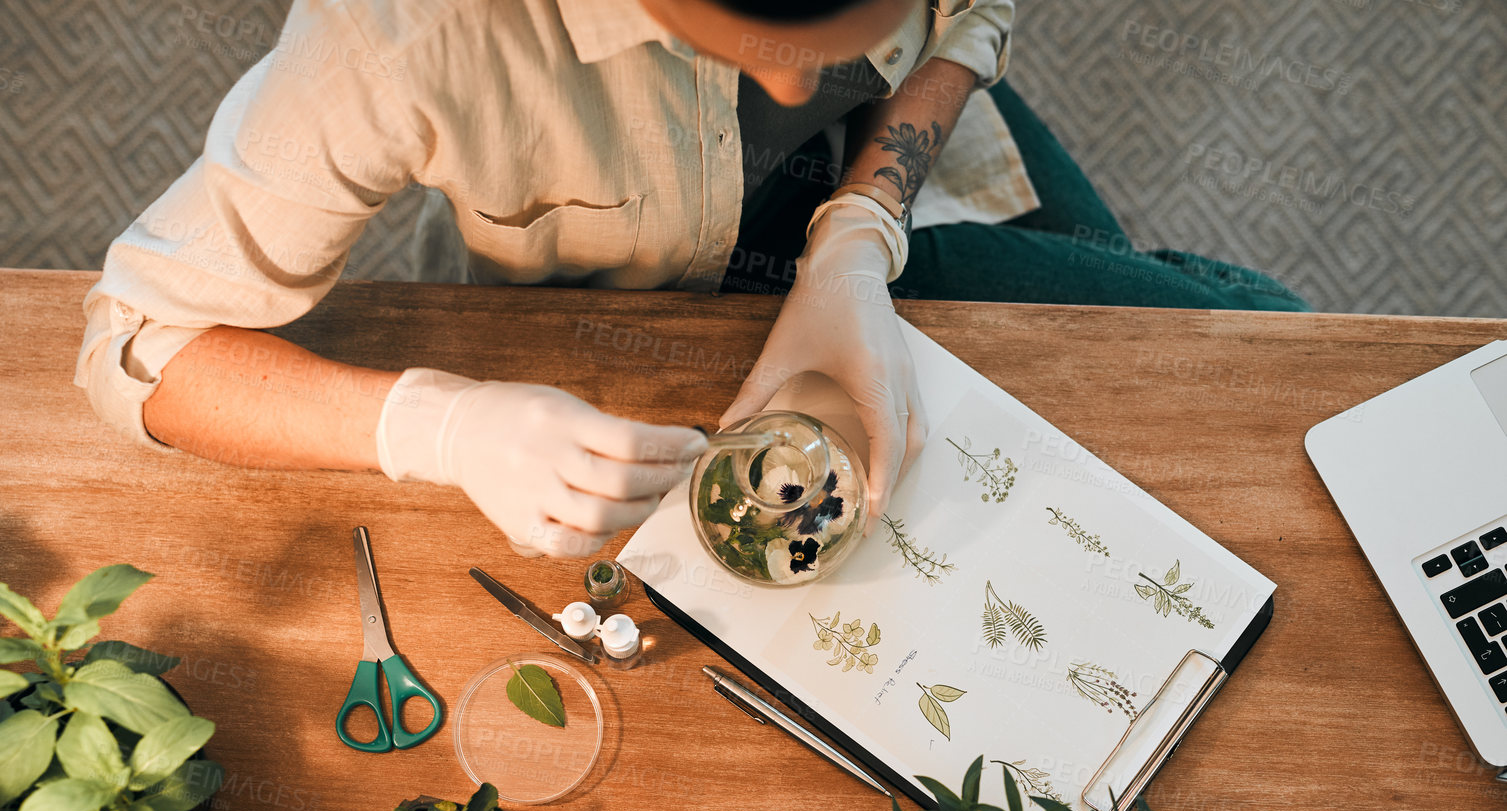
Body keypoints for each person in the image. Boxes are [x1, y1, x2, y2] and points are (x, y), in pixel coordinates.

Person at [76, 0, 1303, 560]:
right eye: (737, 43)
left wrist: (862, 226)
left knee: (1253, 340)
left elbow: (970, 20)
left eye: (834, 31)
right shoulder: (401, 35)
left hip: (917, 194)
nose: (789, 91)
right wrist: (435, 423)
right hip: (635, 312)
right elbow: (133, 345)